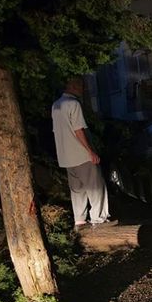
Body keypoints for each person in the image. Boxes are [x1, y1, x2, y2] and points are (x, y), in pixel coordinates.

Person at [52, 78, 113, 229]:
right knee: (96, 186)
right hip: (81, 155)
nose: (84, 89)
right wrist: (90, 151)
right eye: (81, 86)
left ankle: (79, 220)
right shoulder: (74, 104)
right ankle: (99, 219)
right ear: (73, 86)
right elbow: (78, 129)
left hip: (66, 157)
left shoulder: (56, 105)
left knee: (77, 189)